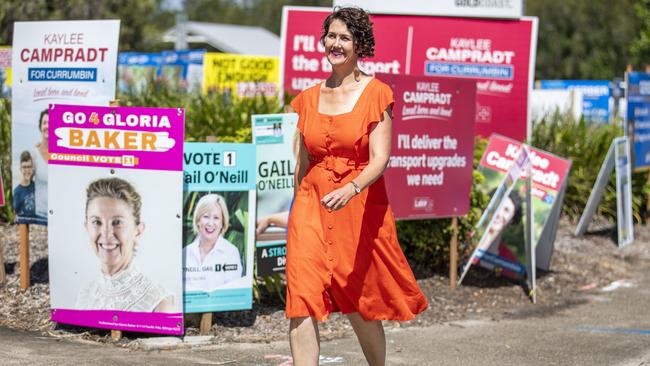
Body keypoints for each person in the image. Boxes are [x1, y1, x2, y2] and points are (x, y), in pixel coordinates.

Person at [286, 7, 428, 365]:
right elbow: (301, 162)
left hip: (357, 206)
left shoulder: (377, 93)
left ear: (359, 44)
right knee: (300, 295)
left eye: (344, 38)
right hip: (311, 205)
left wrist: (351, 188)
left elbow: (381, 158)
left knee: (356, 299)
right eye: (331, 36)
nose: (336, 44)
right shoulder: (307, 99)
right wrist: (297, 212)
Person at [75, 177, 174, 312]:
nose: (106, 233)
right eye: (97, 222)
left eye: (117, 222)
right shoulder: (85, 294)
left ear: (137, 231)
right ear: (86, 227)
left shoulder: (159, 303)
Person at [183, 193, 243, 292]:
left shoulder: (231, 253)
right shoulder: (185, 253)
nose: (210, 223)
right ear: (198, 220)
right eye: (206, 216)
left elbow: (232, 293)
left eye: (216, 218)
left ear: (222, 223)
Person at [31, 109, 48, 222]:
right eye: (44, 122)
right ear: (40, 126)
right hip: (40, 214)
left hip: (61, 211)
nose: (47, 126)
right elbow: (25, 182)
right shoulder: (34, 153)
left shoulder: (64, 153)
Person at [12, 151, 36, 223]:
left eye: (29, 167)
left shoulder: (36, 186)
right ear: (20, 169)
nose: (27, 170)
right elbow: (15, 214)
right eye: (24, 167)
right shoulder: (17, 191)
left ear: (32, 168)